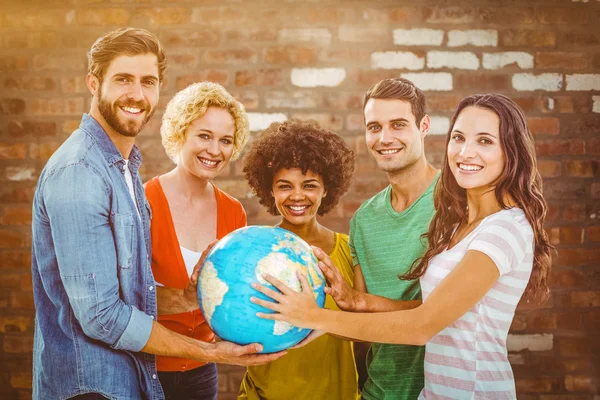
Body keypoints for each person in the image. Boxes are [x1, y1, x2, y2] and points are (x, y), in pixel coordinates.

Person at [31, 28, 282, 400]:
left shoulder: (121, 170)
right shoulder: (81, 171)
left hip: (129, 380)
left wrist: (190, 298)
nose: (137, 93)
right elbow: (102, 316)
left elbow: (132, 294)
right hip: (91, 386)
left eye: (148, 81)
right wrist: (210, 351)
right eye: (123, 80)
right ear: (93, 83)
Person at [252, 93, 554, 399]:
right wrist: (361, 302)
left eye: (485, 141)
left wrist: (313, 316)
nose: (466, 152)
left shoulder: (505, 228)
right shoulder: (455, 226)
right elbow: (430, 309)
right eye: (459, 137)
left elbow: (422, 326)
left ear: (511, 151)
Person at [238, 120, 359, 400]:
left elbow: (365, 333)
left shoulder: (349, 251)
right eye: (284, 186)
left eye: (309, 185)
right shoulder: (253, 250)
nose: (297, 196)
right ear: (270, 190)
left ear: (326, 189)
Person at [144, 81, 250, 400]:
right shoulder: (142, 203)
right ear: (180, 134)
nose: (214, 150)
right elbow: (125, 298)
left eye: (225, 140)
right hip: (144, 372)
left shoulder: (234, 212)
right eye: (204, 135)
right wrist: (185, 299)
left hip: (202, 375)